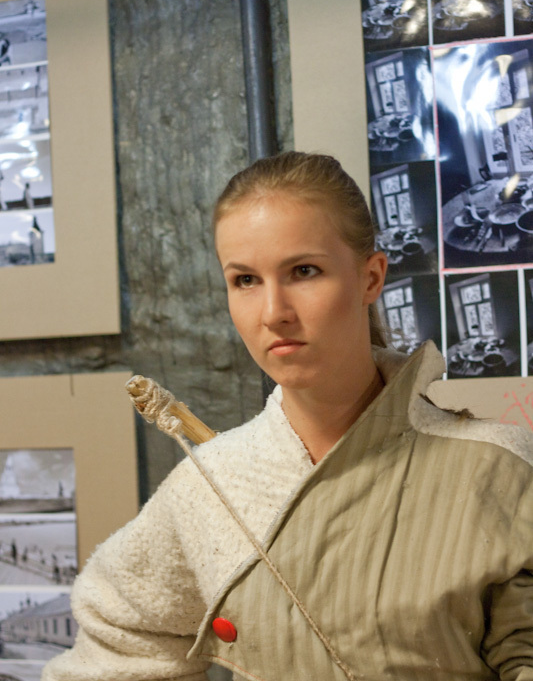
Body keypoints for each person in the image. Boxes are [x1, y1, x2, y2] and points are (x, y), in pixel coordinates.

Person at [43, 152, 533, 681]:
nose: (274, 312)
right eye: (245, 280)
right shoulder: (212, 485)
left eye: (304, 271)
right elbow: (117, 641)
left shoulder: (498, 468)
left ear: (370, 278)